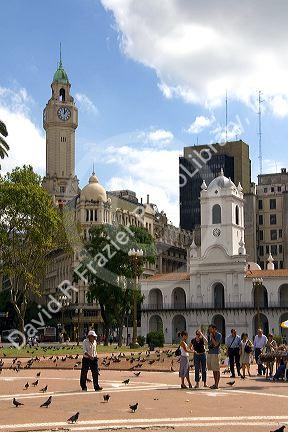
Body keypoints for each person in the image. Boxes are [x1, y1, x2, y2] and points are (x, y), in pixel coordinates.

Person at [207, 324, 222, 389]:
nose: (210, 330)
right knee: (213, 369)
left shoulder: (218, 335)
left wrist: (212, 337)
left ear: (214, 329)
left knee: (217, 369)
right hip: (210, 352)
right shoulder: (209, 335)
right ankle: (215, 383)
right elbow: (209, 344)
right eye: (209, 329)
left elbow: (216, 344)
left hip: (216, 353)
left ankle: (217, 384)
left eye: (211, 329)